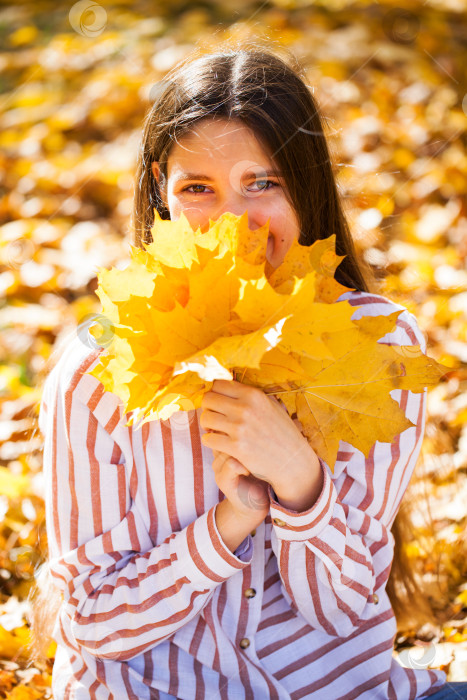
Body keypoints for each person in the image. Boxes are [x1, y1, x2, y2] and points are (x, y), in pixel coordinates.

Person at [34, 43, 465, 699]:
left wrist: (298, 481)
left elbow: (340, 611)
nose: (234, 222)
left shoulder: (375, 347)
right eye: (197, 189)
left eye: (261, 183)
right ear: (160, 191)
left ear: (305, 185)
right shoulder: (98, 372)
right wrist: (225, 525)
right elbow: (90, 620)